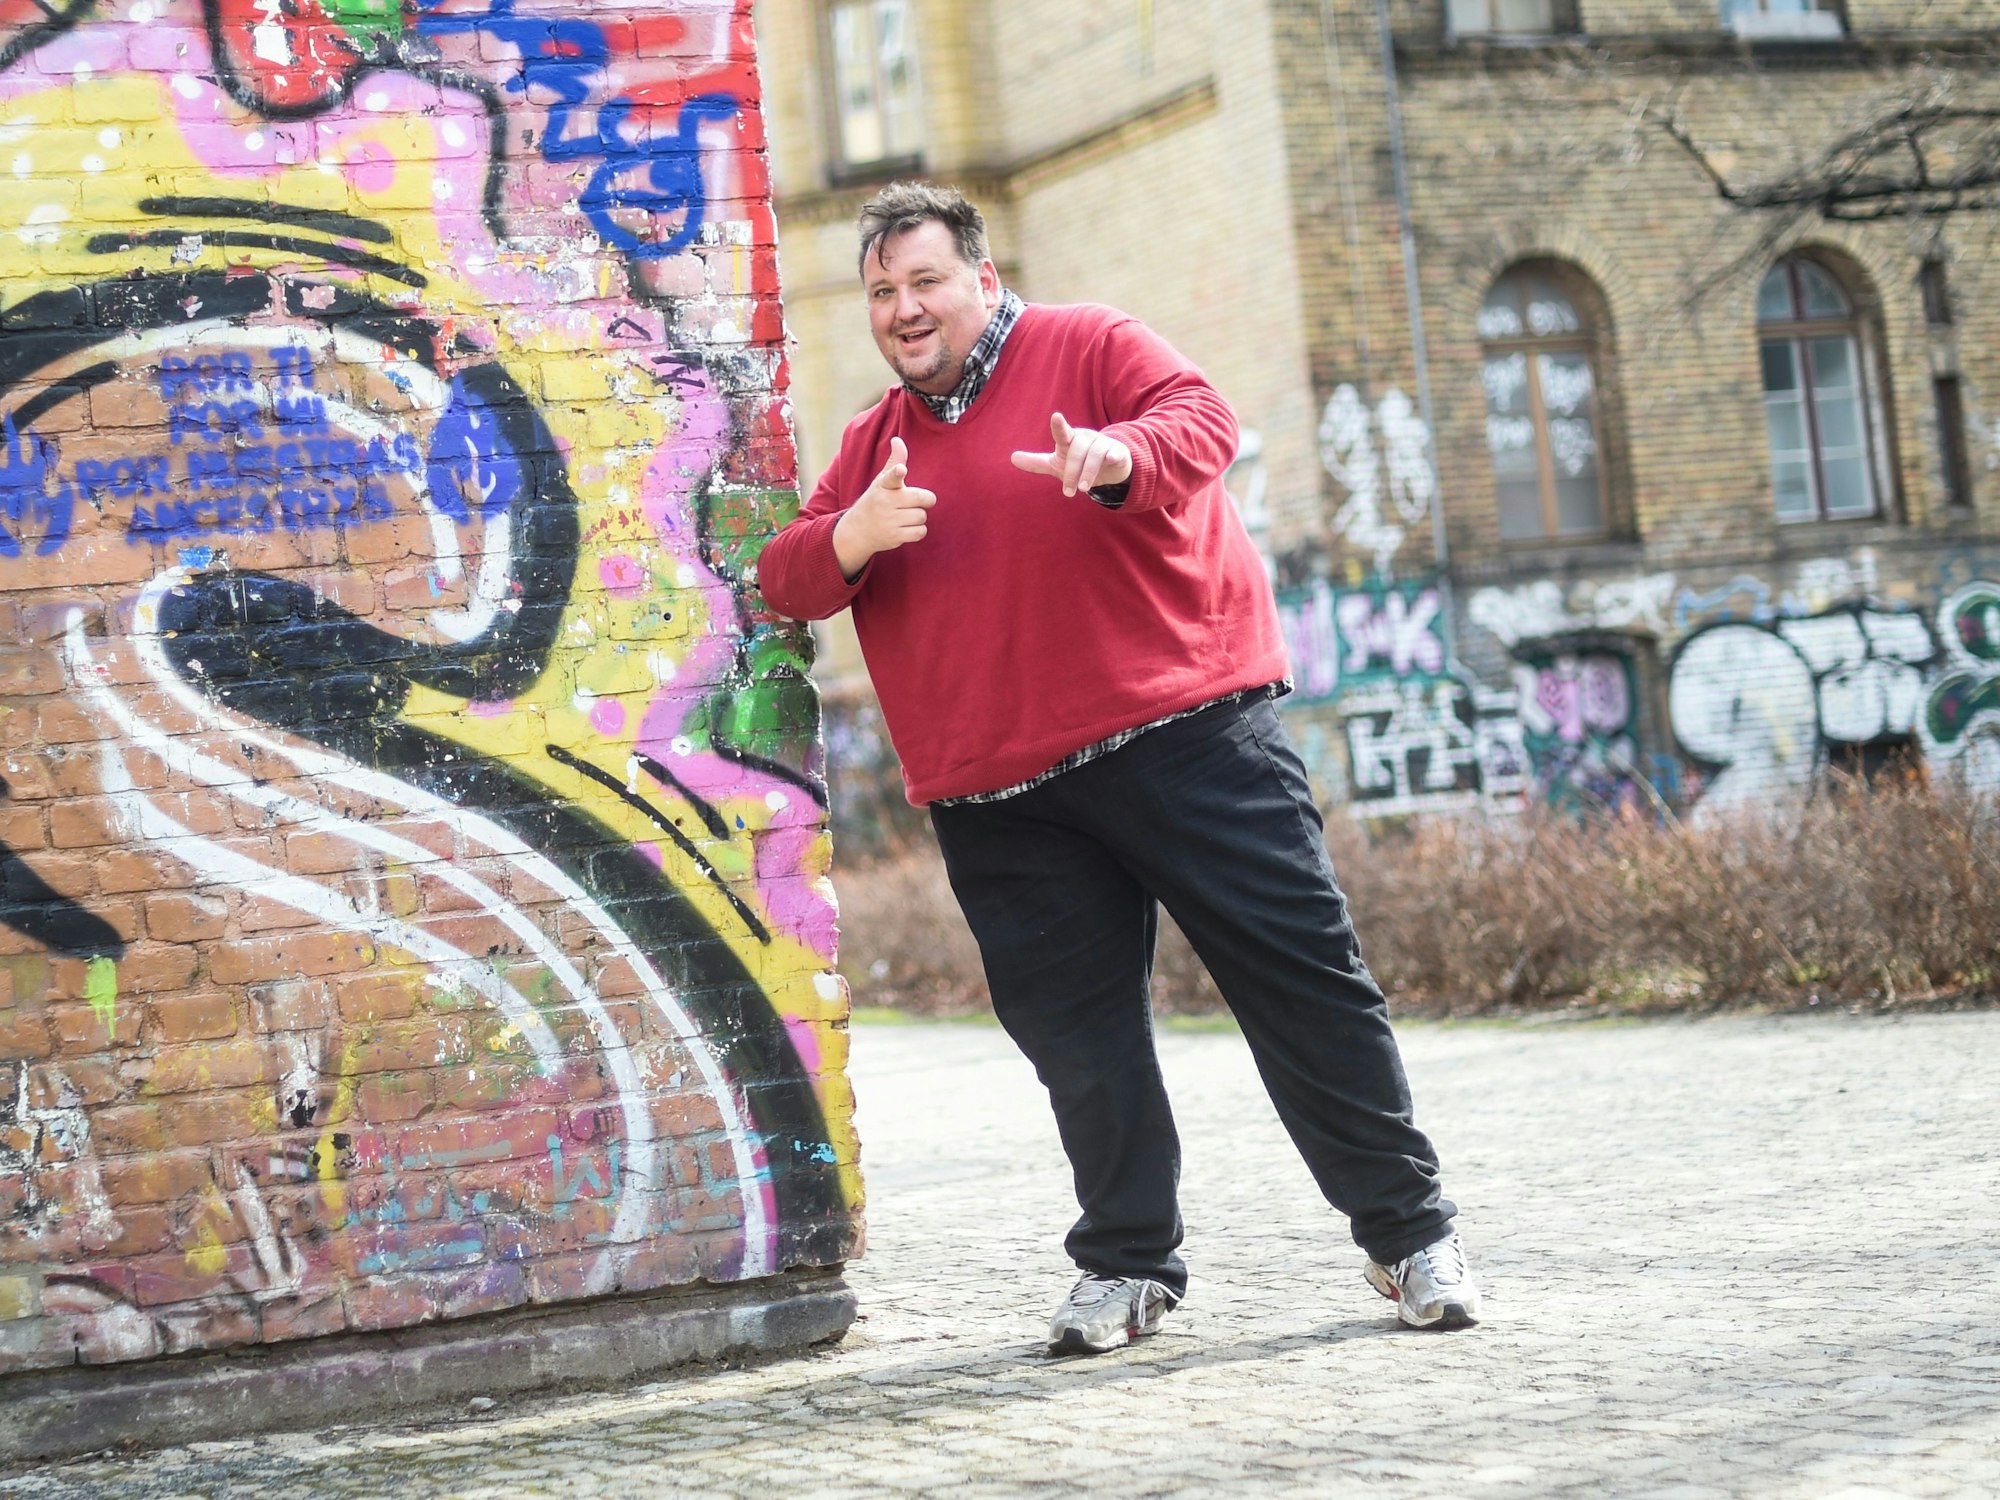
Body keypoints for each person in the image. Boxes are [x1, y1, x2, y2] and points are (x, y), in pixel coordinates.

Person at [759, 182, 1479, 1354]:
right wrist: (848, 539)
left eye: (924, 280)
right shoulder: (875, 446)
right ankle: (1127, 1265)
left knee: (1303, 986)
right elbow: (786, 577)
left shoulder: (1087, 343)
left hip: (1185, 733)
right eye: (881, 291)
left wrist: (1113, 453)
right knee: (1079, 1043)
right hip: (1001, 795)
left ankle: (1410, 1238)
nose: (902, 308)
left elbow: (1200, 420)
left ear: (980, 280)